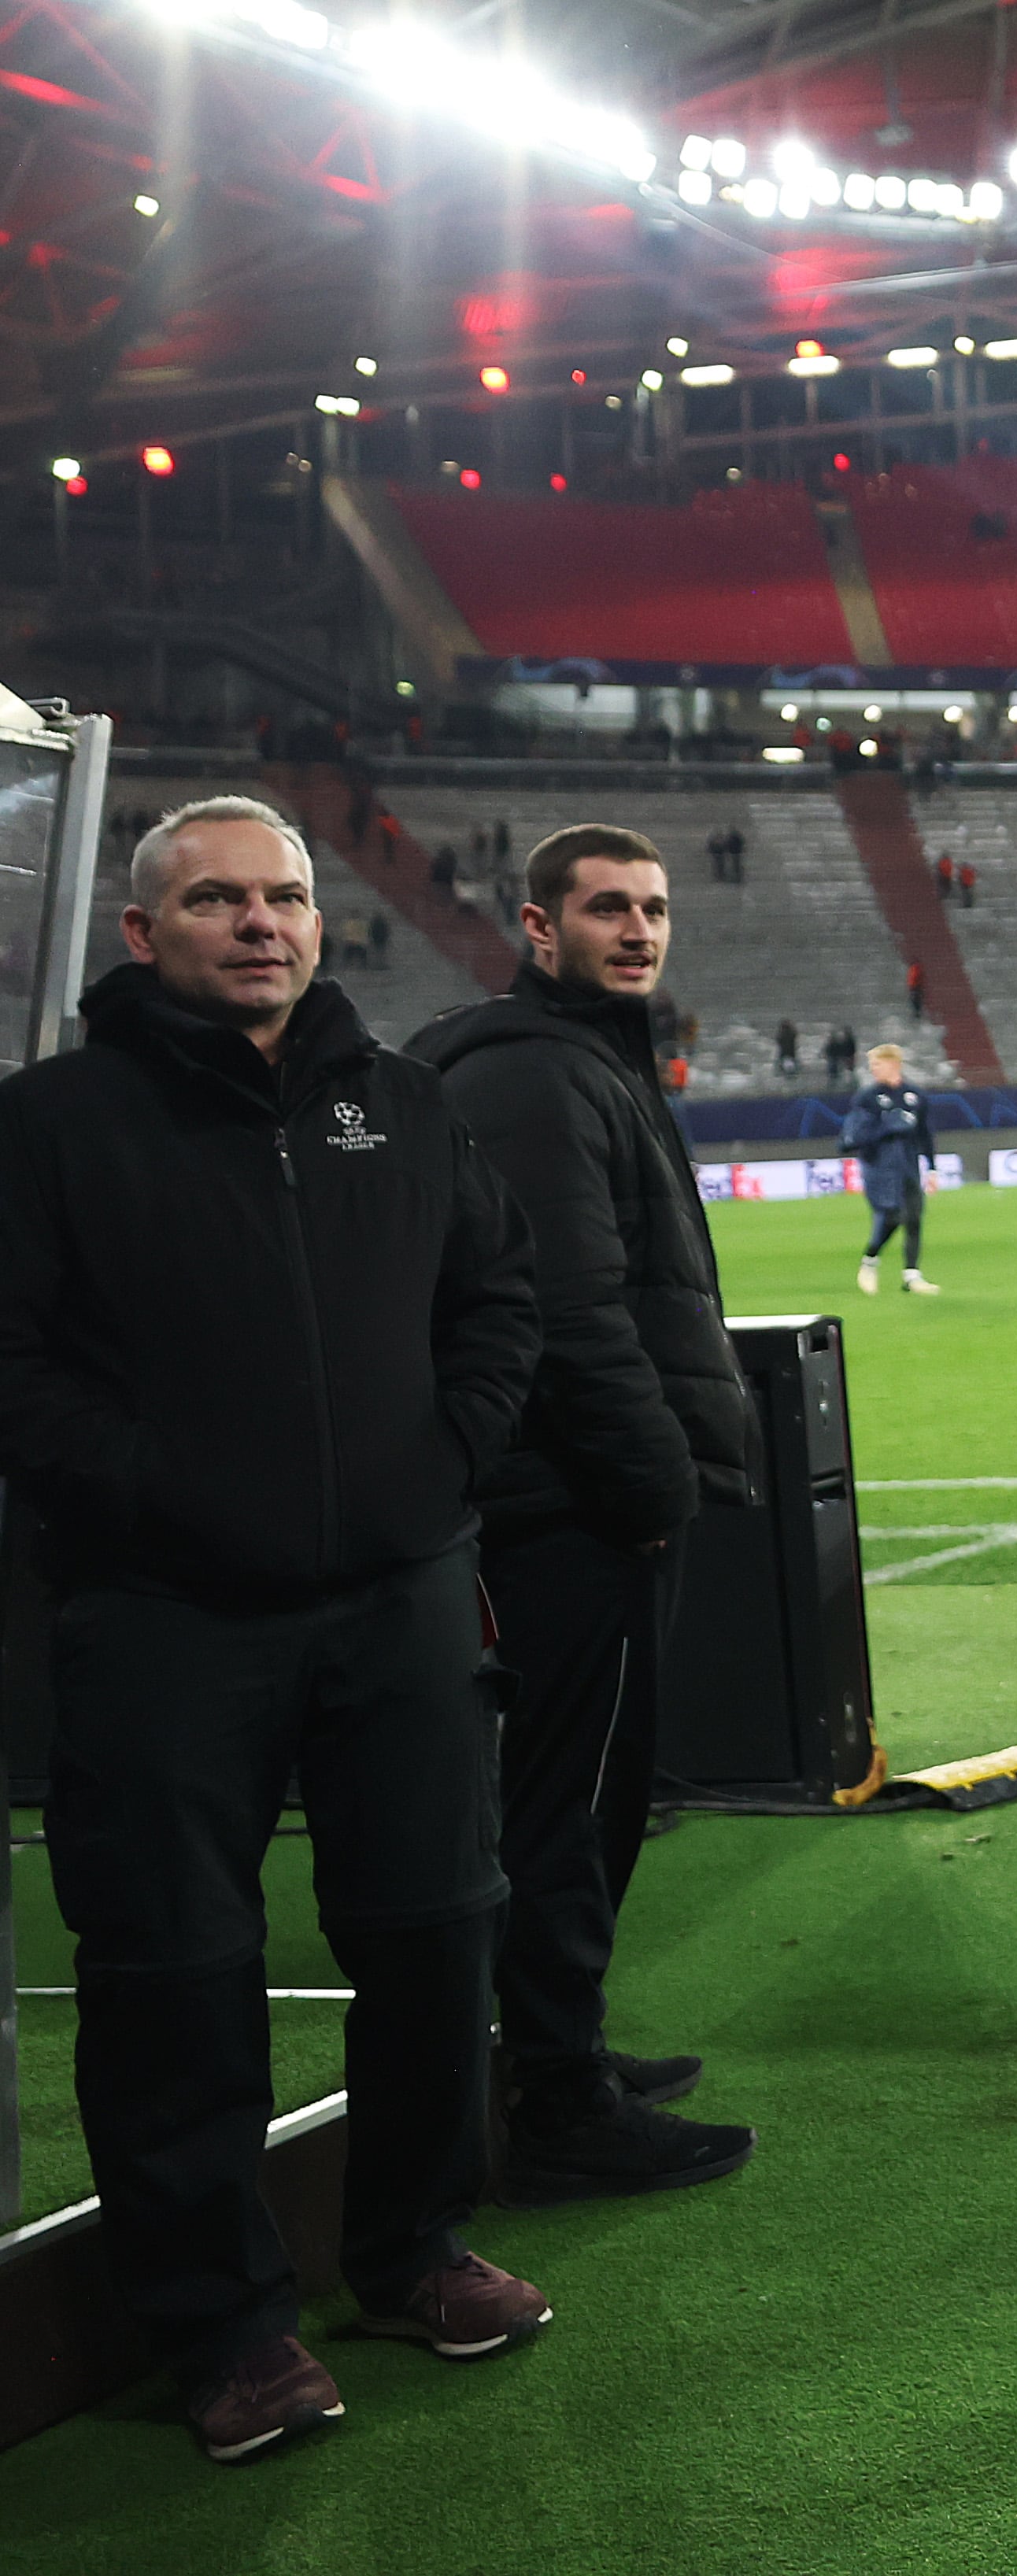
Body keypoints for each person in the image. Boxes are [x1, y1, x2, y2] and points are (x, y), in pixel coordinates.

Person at [0, 796, 551, 2463]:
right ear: (141, 932)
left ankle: (409, 2251)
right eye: (218, 897)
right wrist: (166, 1499)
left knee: (436, 1930)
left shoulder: (406, 1105)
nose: (260, 922)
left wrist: (439, 1465)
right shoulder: (47, 1126)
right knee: (175, 1971)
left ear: (322, 922)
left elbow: (499, 1302)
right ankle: (223, 2327)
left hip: (394, 1603)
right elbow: (15, 1368)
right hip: (161, 1617)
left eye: (286, 895)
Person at [409, 825, 763, 2205]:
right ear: (538, 925)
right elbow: (569, 1313)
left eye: (655, 906)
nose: (638, 927)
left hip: (563, 1498)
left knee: (581, 1793)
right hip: (572, 1507)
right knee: (572, 1801)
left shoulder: (562, 1058)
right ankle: (556, 2094)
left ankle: (566, 2050)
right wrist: (656, 1486)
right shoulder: (541, 1073)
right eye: (607, 905)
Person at [844, 1043, 938, 1292]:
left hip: (908, 1166)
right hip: (879, 1167)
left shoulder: (914, 1095)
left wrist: (932, 1169)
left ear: (893, 1064)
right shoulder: (868, 1098)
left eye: (877, 1064)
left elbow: (925, 1135)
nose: (873, 1069)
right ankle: (870, 1259)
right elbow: (856, 1137)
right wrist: (888, 1127)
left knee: (914, 1216)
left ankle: (911, 1275)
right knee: (893, 1215)